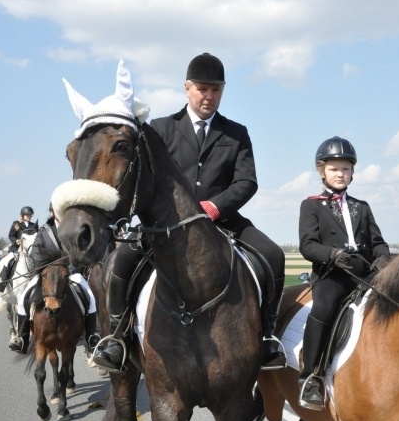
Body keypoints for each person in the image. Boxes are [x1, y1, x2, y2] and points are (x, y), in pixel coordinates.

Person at [91, 53, 286, 373]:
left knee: (273, 255)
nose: (208, 96)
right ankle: (117, 338)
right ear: (187, 88)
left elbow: (247, 182)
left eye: (215, 90)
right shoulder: (160, 129)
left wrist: (216, 206)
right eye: (202, 89)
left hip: (222, 219)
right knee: (122, 262)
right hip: (166, 225)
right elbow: (146, 177)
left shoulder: (237, 133)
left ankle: (266, 338)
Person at [297, 136, 391, 410]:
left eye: (345, 169)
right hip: (332, 273)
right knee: (323, 309)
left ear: (352, 172)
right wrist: (332, 255)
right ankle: (311, 376)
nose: (340, 174)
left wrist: (383, 258)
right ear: (322, 171)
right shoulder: (311, 205)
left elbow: (378, 242)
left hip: (364, 272)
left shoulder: (362, 207)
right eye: (334, 169)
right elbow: (307, 245)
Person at [9, 204, 99, 355]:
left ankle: (91, 336)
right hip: (48, 274)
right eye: (55, 210)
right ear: (51, 212)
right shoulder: (43, 231)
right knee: (23, 299)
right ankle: (23, 338)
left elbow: (81, 251)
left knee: (90, 298)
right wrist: (45, 267)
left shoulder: (74, 229)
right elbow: (35, 252)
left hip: (70, 272)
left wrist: (70, 266)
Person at [0, 206, 39, 292]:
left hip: (29, 250)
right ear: (22, 215)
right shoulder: (16, 224)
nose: (28, 216)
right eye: (26, 215)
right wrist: (16, 241)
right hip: (16, 248)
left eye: (30, 215)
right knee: (9, 260)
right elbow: (11, 235)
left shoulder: (33, 226)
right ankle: (2, 281)